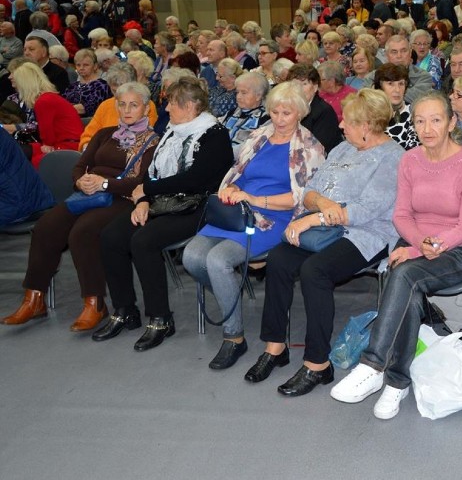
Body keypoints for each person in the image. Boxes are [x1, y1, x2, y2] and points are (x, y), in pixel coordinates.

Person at [329, 92, 462, 419]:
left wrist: (429, 246)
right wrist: (417, 244)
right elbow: (401, 215)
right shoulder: (410, 160)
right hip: (418, 243)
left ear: (451, 122)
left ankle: (374, 365)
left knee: (403, 273)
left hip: (461, 249)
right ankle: (396, 384)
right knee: (408, 285)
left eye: (436, 120)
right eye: (420, 120)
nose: (427, 128)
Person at [245, 89, 404, 395]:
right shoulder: (344, 149)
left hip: (367, 234)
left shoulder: (392, 158)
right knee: (278, 260)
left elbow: (365, 210)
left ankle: (318, 364)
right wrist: (323, 207)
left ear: (368, 125)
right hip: (326, 229)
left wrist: (314, 217)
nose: (342, 125)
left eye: (349, 121)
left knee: (314, 271)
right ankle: (276, 347)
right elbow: (309, 192)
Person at [184, 82, 325, 369]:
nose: (279, 118)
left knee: (218, 260)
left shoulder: (309, 147)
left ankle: (233, 337)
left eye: (287, 112)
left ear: (300, 112)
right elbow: (236, 171)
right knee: (192, 257)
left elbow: (300, 198)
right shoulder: (259, 135)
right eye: (274, 111)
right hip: (237, 209)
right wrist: (231, 189)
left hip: (274, 217)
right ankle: (230, 294)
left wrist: (253, 197)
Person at [2, 83, 159, 331]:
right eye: (122, 104)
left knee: (83, 232)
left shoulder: (152, 141)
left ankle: (94, 303)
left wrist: (104, 183)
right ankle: (34, 298)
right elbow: (79, 164)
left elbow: (141, 182)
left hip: (123, 199)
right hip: (88, 194)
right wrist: (81, 181)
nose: (126, 110)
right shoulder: (105, 134)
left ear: (146, 109)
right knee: (46, 226)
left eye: (133, 104)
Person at [93, 77, 232, 351]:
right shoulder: (172, 130)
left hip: (198, 205)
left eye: (171, 103)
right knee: (111, 236)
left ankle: (160, 318)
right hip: (164, 201)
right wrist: (144, 196)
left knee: (143, 241)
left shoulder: (214, 134)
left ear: (190, 106)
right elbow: (153, 169)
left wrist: (147, 189)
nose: (167, 109)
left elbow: (196, 180)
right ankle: (124, 309)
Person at [5, 61, 83, 168]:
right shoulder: (47, 97)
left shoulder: (44, 101)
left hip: (67, 146)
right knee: (17, 151)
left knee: (21, 160)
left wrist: (47, 145)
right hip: (64, 143)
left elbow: (47, 135)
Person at [287, 63, 343, 153]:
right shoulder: (286, 108)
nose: (298, 89)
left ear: (315, 87)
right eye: (294, 84)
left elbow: (318, 148)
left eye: (304, 84)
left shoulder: (324, 112)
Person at [373, 63, 419, 151]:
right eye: (390, 84)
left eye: (401, 84)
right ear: (380, 87)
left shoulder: (414, 114)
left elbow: (413, 152)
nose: (397, 90)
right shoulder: (370, 112)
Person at [220, 72, 270, 152]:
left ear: (258, 96)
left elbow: (252, 147)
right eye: (237, 92)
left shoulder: (265, 118)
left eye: (244, 93)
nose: (238, 97)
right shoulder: (232, 112)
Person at [62, 49, 110, 117]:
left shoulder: (102, 85)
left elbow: (87, 108)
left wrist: (65, 108)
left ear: (95, 66)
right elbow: (61, 103)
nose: (81, 68)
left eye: (86, 65)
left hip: (90, 122)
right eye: (78, 65)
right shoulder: (73, 86)